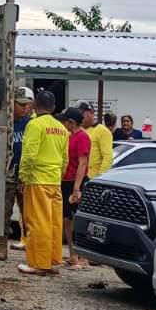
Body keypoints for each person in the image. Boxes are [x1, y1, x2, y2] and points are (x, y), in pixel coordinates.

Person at [17, 90, 67, 277]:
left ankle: (38, 263)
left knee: (37, 222)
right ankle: (52, 261)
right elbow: (65, 159)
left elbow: (29, 154)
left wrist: (23, 177)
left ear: (35, 106)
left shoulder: (35, 125)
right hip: (54, 181)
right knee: (54, 223)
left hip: (37, 180)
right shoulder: (61, 128)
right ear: (54, 108)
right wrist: (58, 176)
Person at [0, 87, 35, 260]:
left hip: (26, 173)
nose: (25, 108)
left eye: (27, 105)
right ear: (12, 103)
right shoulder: (6, 121)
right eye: (21, 104)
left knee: (29, 212)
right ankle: (2, 247)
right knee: (5, 210)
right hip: (9, 171)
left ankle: (31, 246)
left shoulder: (31, 124)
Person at [59, 108, 92, 268]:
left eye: (65, 121)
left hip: (76, 181)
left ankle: (83, 258)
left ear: (71, 122)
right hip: (66, 181)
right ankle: (73, 255)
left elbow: (83, 163)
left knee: (77, 219)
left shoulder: (82, 137)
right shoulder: (69, 136)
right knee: (67, 219)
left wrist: (77, 188)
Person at [86, 107, 114, 178]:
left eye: (84, 113)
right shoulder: (77, 130)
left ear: (92, 113)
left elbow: (108, 157)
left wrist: (100, 177)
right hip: (77, 176)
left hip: (92, 177)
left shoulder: (102, 131)